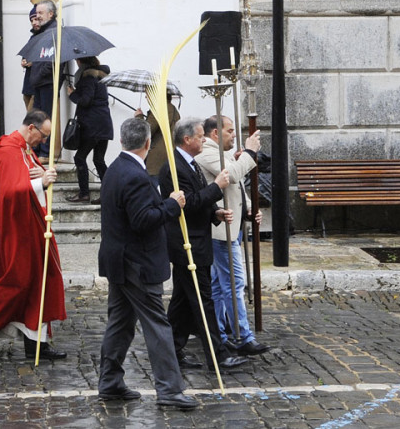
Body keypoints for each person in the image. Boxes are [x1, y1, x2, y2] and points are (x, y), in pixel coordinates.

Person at [95, 117, 195, 410]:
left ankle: (110, 382)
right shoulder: (135, 175)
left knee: (120, 324)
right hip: (137, 263)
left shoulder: (115, 168)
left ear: (123, 141)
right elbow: (143, 220)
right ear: (148, 144)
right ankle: (169, 390)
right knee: (157, 327)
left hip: (119, 261)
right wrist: (172, 204)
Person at [0, 110, 66, 361]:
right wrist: (41, 182)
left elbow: (27, 178)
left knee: (40, 281)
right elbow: (10, 192)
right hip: (15, 228)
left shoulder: (24, 150)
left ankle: (37, 345)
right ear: (31, 128)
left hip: (33, 223)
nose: (43, 141)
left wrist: (41, 176)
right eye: (43, 136)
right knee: (17, 280)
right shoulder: (9, 150)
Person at [158, 117, 248, 373]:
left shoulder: (189, 164)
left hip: (198, 241)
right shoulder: (173, 169)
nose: (204, 140)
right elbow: (187, 205)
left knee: (183, 302)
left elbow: (199, 203)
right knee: (203, 300)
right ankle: (217, 356)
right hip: (188, 245)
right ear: (187, 140)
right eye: (200, 137)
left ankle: (172, 351)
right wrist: (217, 187)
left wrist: (215, 213)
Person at [197, 116, 270, 357]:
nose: (234, 136)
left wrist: (249, 209)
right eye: (230, 132)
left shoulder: (223, 152)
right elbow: (233, 176)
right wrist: (249, 151)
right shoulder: (207, 153)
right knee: (235, 282)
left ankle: (220, 332)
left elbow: (235, 189)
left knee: (220, 285)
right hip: (220, 230)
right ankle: (242, 336)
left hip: (232, 227)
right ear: (215, 134)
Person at [65, 56, 113, 204]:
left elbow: (86, 101)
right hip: (104, 124)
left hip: (93, 126)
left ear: (81, 62)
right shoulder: (101, 77)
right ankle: (108, 194)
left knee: (79, 158)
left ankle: (84, 193)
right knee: (98, 159)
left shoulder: (88, 78)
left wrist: (72, 93)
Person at [27, 0, 68, 163]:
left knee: (46, 119)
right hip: (38, 81)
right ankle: (36, 148)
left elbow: (53, 60)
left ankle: (45, 151)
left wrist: (39, 74)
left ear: (51, 14)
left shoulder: (54, 32)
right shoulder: (42, 31)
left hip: (47, 81)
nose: (38, 17)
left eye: (41, 13)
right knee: (37, 118)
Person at [136, 92, 180, 176]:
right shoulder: (173, 109)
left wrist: (139, 117)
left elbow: (145, 131)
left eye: (148, 94)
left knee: (153, 185)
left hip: (156, 156)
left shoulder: (159, 108)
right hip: (170, 152)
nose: (146, 97)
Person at [20, 4, 40, 111]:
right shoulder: (32, 37)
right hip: (28, 82)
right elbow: (26, 53)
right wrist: (24, 61)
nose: (34, 23)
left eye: (36, 19)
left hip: (37, 83)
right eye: (32, 20)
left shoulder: (46, 35)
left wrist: (34, 63)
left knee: (31, 117)